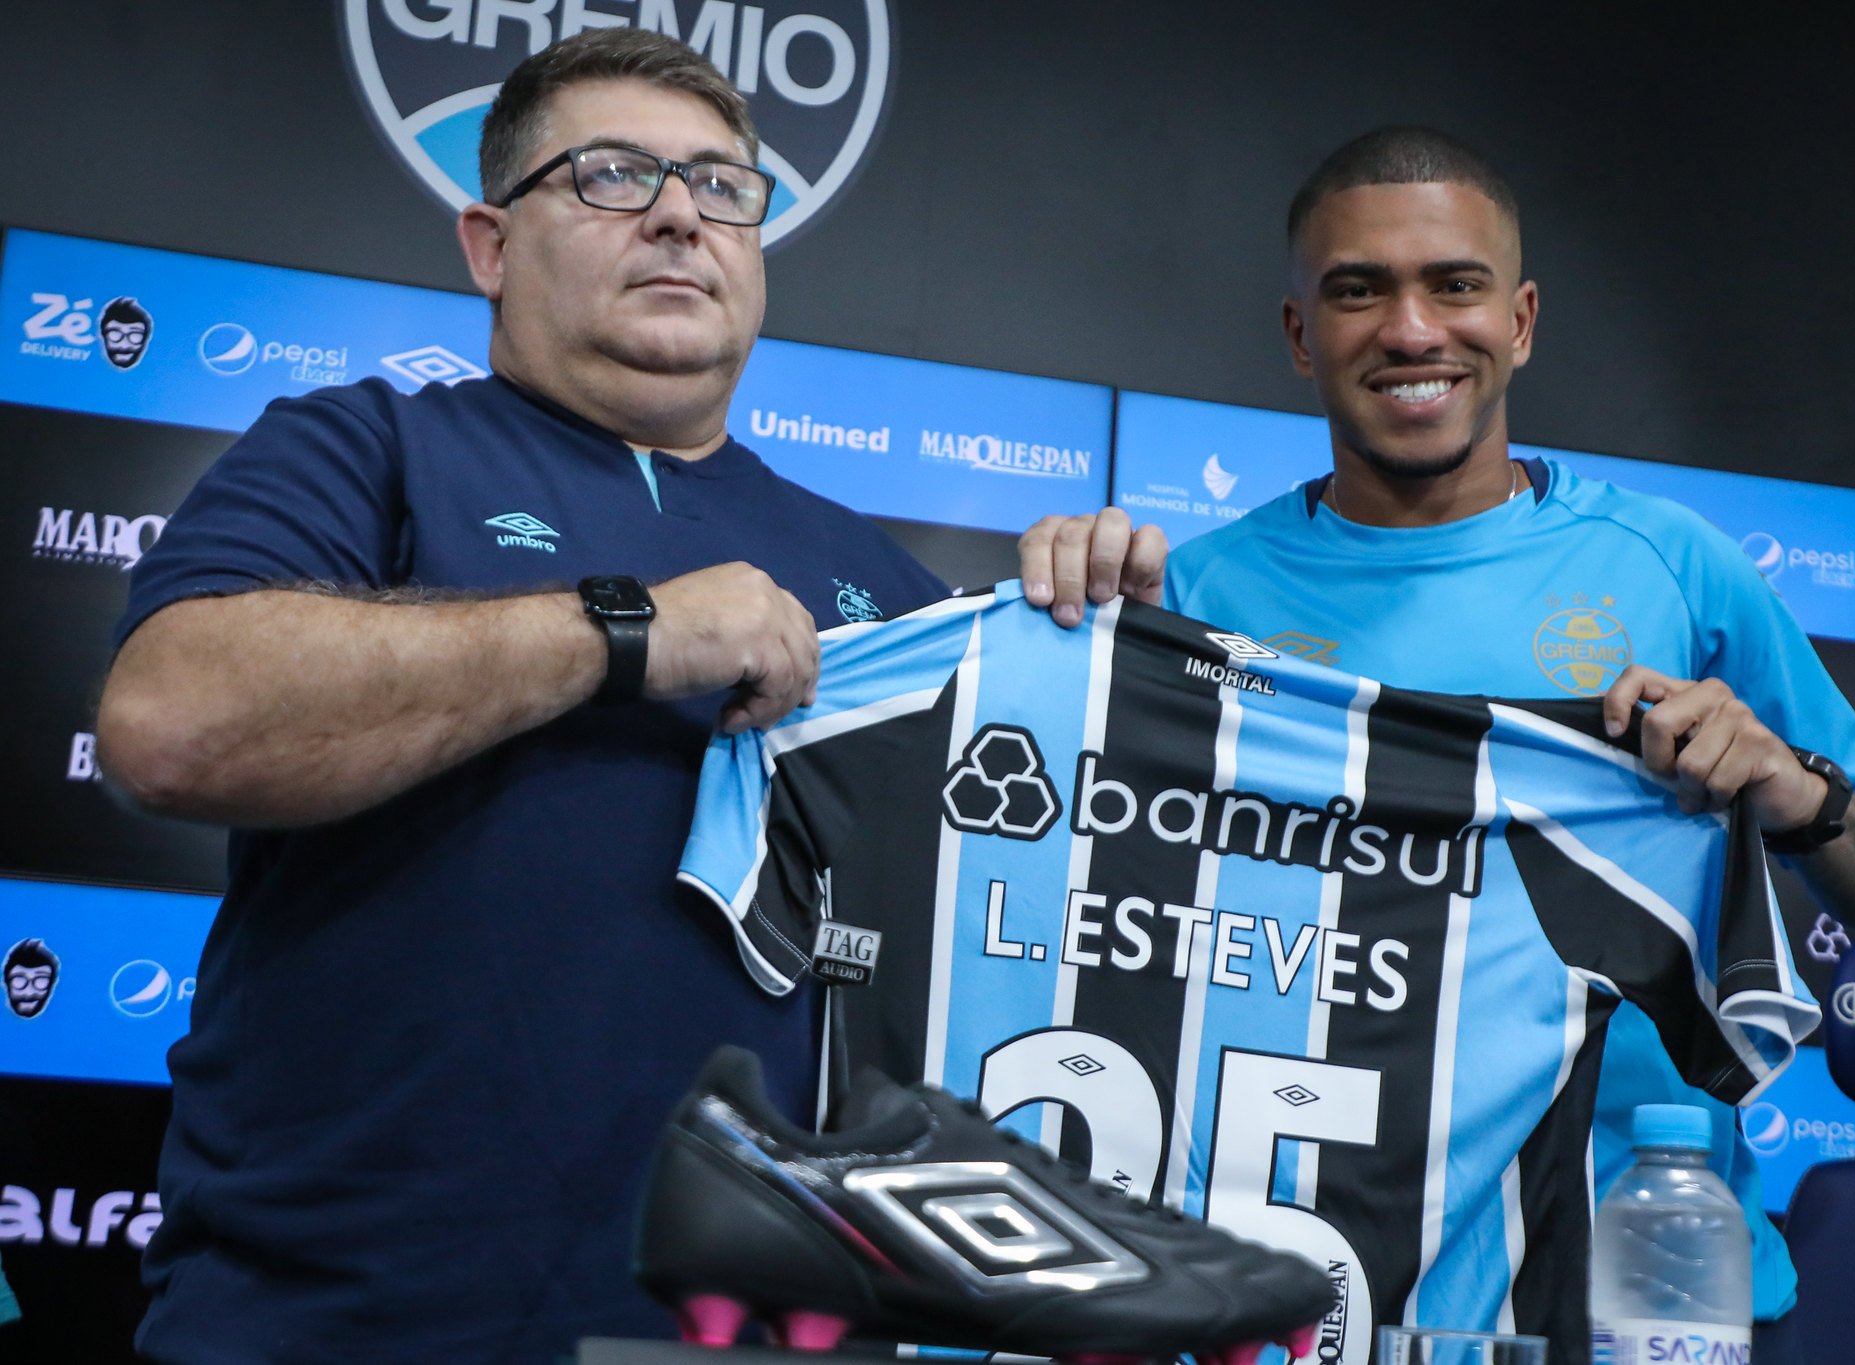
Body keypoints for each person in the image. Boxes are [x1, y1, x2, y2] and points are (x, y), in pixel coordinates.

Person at [93, 28, 1123, 1364]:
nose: (682, 215)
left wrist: (1116, 672)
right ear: (490, 243)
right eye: (613, 177)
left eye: (721, 186)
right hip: (341, 1322)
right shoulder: (364, 450)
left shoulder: (891, 588)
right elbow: (171, 726)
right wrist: (630, 627)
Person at [1021, 127, 1855, 1360]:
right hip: (1301, 1287)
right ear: (1302, 334)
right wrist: (1063, 641)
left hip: (1637, 1294)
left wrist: (1793, 790)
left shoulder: (1675, 567)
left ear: (1517, 321)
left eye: (1452, 285)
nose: (1411, 331)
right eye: (1358, 289)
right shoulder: (1192, 595)